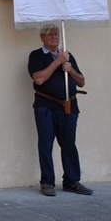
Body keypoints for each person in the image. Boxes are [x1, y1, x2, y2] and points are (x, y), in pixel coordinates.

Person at [28, 24, 92, 197]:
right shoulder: (37, 56)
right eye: (50, 35)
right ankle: (47, 182)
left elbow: (81, 81)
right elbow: (39, 79)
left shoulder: (68, 56)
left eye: (56, 35)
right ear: (42, 38)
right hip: (46, 106)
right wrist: (57, 62)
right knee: (46, 144)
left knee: (69, 144)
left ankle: (72, 181)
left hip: (69, 106)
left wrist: (69, 69)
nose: (55, 37)